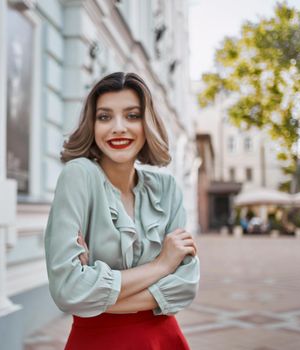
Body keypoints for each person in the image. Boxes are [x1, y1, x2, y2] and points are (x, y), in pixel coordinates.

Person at [44, 72, 200, 350]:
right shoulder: (79, 176)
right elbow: (68, 291)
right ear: (92, 125)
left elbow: (185, 286)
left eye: (132, 116)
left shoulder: (166, 189)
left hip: (163, 339)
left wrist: (96, 293)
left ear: (147, 123)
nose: (118, 127)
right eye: (104, 117)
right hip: (98, 341)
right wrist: (162, 265)